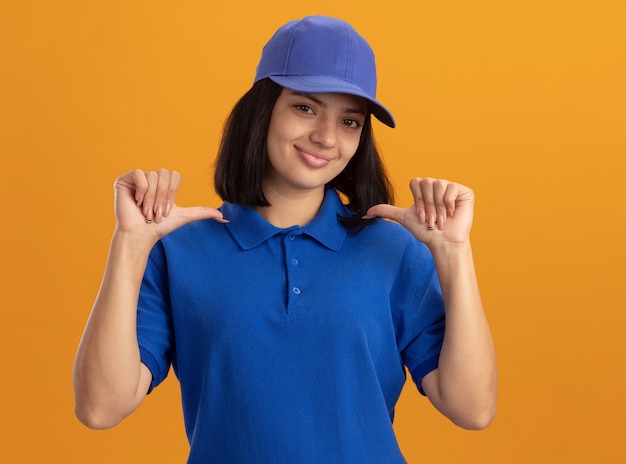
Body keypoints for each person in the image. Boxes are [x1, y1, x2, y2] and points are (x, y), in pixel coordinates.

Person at [73, 15, 497, 463]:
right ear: (263, 109)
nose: (327, 137)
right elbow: (101, 408)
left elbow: (472, 409)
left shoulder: (394, 250)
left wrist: (453, 254)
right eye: (306, 108)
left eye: (350, 121)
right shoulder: (179, 250)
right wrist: (129, 245)